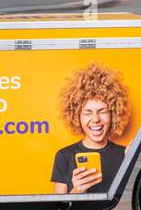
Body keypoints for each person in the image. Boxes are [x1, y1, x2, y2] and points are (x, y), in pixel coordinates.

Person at [50, 62, 132, 195]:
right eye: (88, 112)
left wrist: (131, 158)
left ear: (114, 113)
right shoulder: (64, 156)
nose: (95, 119)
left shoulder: (124, 154)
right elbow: (61, 209)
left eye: (102, 111)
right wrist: (78, 190)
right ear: (76, 116)